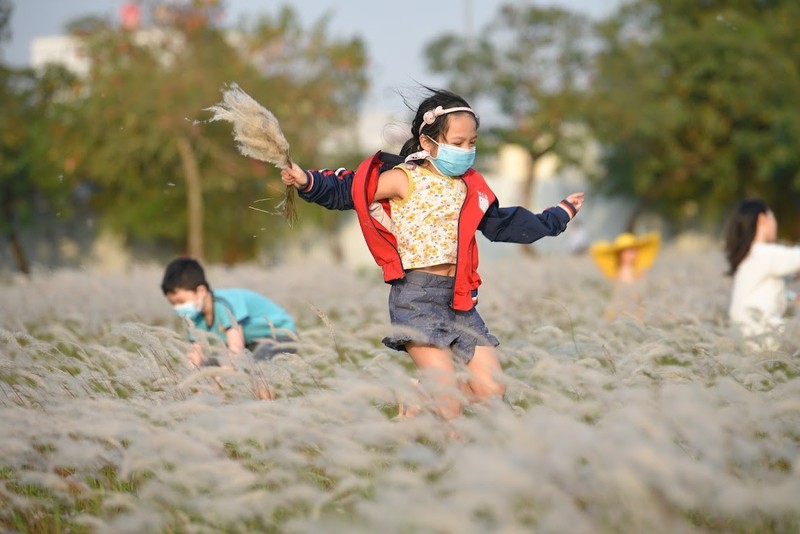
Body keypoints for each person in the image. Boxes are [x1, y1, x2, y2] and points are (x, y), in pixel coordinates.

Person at [279, 87, 584, 420]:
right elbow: (351, 190)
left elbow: (503, 224)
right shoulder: (403, 179)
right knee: (447, 400)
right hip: (417, 296)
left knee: (492, 390)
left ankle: (418, 396)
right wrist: (308, 181)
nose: (467, 150)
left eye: (472, 143)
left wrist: (558, 216)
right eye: (457, 143)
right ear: (428, 143)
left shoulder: (471, 185)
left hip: (460, 300)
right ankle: (448, 452)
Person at [161, 257, 298, 368]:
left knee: (256, 369)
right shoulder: (194, 318)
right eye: (173, 304)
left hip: (280, 335)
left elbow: (236, 352)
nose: (178, 308)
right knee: (208, 368)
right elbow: (195, 356)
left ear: (201, 291)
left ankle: (267, 402)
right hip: (251, 342)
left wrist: (222, 380)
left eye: (181, 301)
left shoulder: (225, 305)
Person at [724, 199, 800, 343]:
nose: (775, 223)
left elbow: (763, 291)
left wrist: (791, 297)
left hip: (749, 341)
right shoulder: (764, 254)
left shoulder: (750, 256)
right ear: (762, 219)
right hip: (765, 343)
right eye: (773, 217)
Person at [589, 231, 661, 319]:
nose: (635, 253)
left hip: (638, 313)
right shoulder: (619, 273)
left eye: (635, 250)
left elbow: (643, 295)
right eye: (630, 251)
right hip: (623, 314)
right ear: (621, 254)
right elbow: (618, 298)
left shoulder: (639, 271)